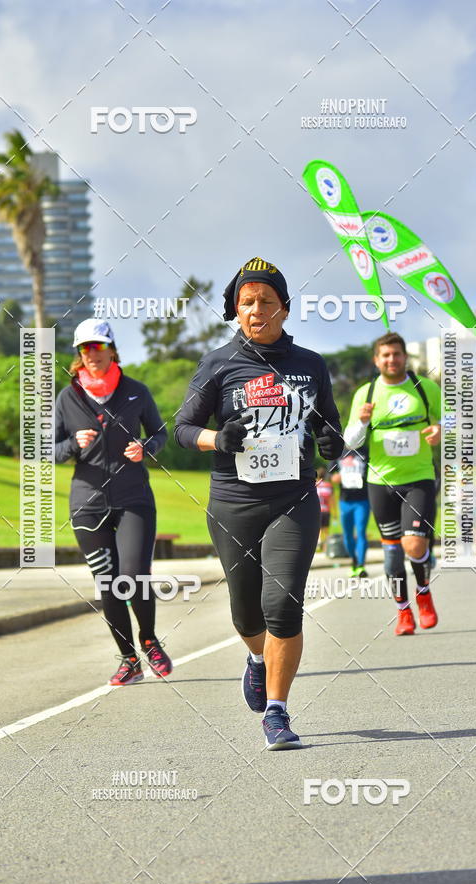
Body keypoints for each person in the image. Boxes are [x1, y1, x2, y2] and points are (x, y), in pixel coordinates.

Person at [174, 257, 344, 749]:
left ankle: (277, 712)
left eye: (265, 301)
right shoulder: (218, 363)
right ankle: (255, 657)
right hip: (233, 502)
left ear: (284, 309)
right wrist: (216, 438)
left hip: (293, 499)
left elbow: (327, 425)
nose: (255, 310)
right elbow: (182, 429)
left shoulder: (310, 365)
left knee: (282, 604)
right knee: (247, 614)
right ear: (235, 310)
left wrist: (332, 445)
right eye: (246, 302)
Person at [55, 319, 173, 684]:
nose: (92, 354)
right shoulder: (68, 397)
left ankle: (149, 640)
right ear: (79, 354)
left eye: (99, 347)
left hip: (133, 497)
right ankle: (128, 659)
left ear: (112, 349)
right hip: (87, 503)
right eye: (85, 348)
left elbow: (160, 433)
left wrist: (146, 448)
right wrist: (75, 444)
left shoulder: (136, 391)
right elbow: (50, 451)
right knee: (107, 584)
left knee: (133, 576)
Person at [344, 333, 441, 635]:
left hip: (419, 478)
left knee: (413, 545)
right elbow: (349, 442)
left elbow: (454, 421)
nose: (391, 360)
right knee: (391, 555)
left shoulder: (425, 389)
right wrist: (361, 422)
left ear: (404, 357)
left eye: (396, 354)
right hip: (380, 481)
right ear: (376, 360)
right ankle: (403, 612)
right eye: (385, 355)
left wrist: (440, 429)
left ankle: (423, 593)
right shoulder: (366, 393)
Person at [331, 449, 370, 577]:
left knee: (360, 532)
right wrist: (334, 477)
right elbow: (330, 474)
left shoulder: (366, 452)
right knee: (347, 535)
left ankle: (361, 565)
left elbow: (374, 472)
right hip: (345, 501)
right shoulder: (338, 453)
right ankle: (354, 561)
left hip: (362, 500)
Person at [316, 467, 334, 551]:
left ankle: (318, 544)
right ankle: (326, 547)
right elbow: (331, 500)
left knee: (318, 529)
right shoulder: (329, 486)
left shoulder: (314, 485)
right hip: (326, 510)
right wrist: (335, 513)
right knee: (326, 530)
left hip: (317, 510)